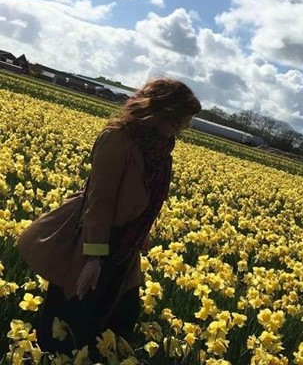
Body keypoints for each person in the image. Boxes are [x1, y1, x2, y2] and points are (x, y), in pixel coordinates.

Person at [36, 77, 201, 359]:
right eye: (177, 121)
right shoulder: (117, 138)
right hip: (95, 239)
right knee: (74, 315)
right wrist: (93, 258)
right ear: (159, 111)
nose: (180, 129)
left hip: (126, 243)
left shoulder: (160, 148)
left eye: (184, 124)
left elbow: (144, 196)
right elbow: (100, 202)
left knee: (119, 318)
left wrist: (142, 230)